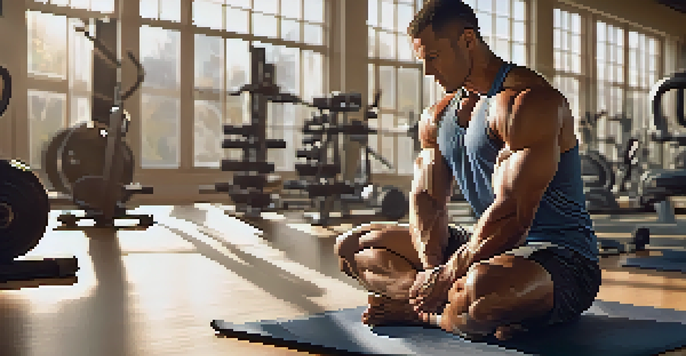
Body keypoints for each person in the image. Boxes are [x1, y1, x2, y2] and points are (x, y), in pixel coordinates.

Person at [334, 0, 601, 341]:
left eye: (433, 57)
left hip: (561, 257)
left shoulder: (527, 101)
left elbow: (512, 215)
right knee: (353, 246)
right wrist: (432, 271)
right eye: (423, 60)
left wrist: (447, 275)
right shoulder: (438, 115)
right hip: (486, 247)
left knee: (481, 288)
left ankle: (425, 315)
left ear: (467, 40)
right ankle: (442, 307)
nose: (428, 71)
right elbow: (427, 199)